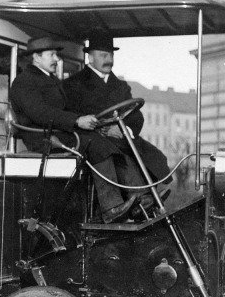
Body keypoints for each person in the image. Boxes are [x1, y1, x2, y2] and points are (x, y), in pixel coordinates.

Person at [9, 37, 141, 223]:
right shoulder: (24, 82)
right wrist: (77, 120)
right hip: (44, 138)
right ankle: (111, 208)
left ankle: (141, 197)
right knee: (93, 142)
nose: (57, 59)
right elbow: (39, 113)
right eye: (52, 55)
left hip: (59, 132)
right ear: (36, 58)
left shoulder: (48, 79)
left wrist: (89, 119)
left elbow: (62, 108)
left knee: (108, 142)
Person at [63, 34, 172, 196]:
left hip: (121, 135)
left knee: (154, 155)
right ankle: (141, 197)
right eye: (104, 55)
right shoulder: (73, 84)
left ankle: (150, 195)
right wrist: (105, 130)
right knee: (122, 157)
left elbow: (135, 115)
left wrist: (125, 128)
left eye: (111, 55)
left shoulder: (120, 86)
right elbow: (73, 116)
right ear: (90, 58)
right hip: (92, 138)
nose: (109, 60)